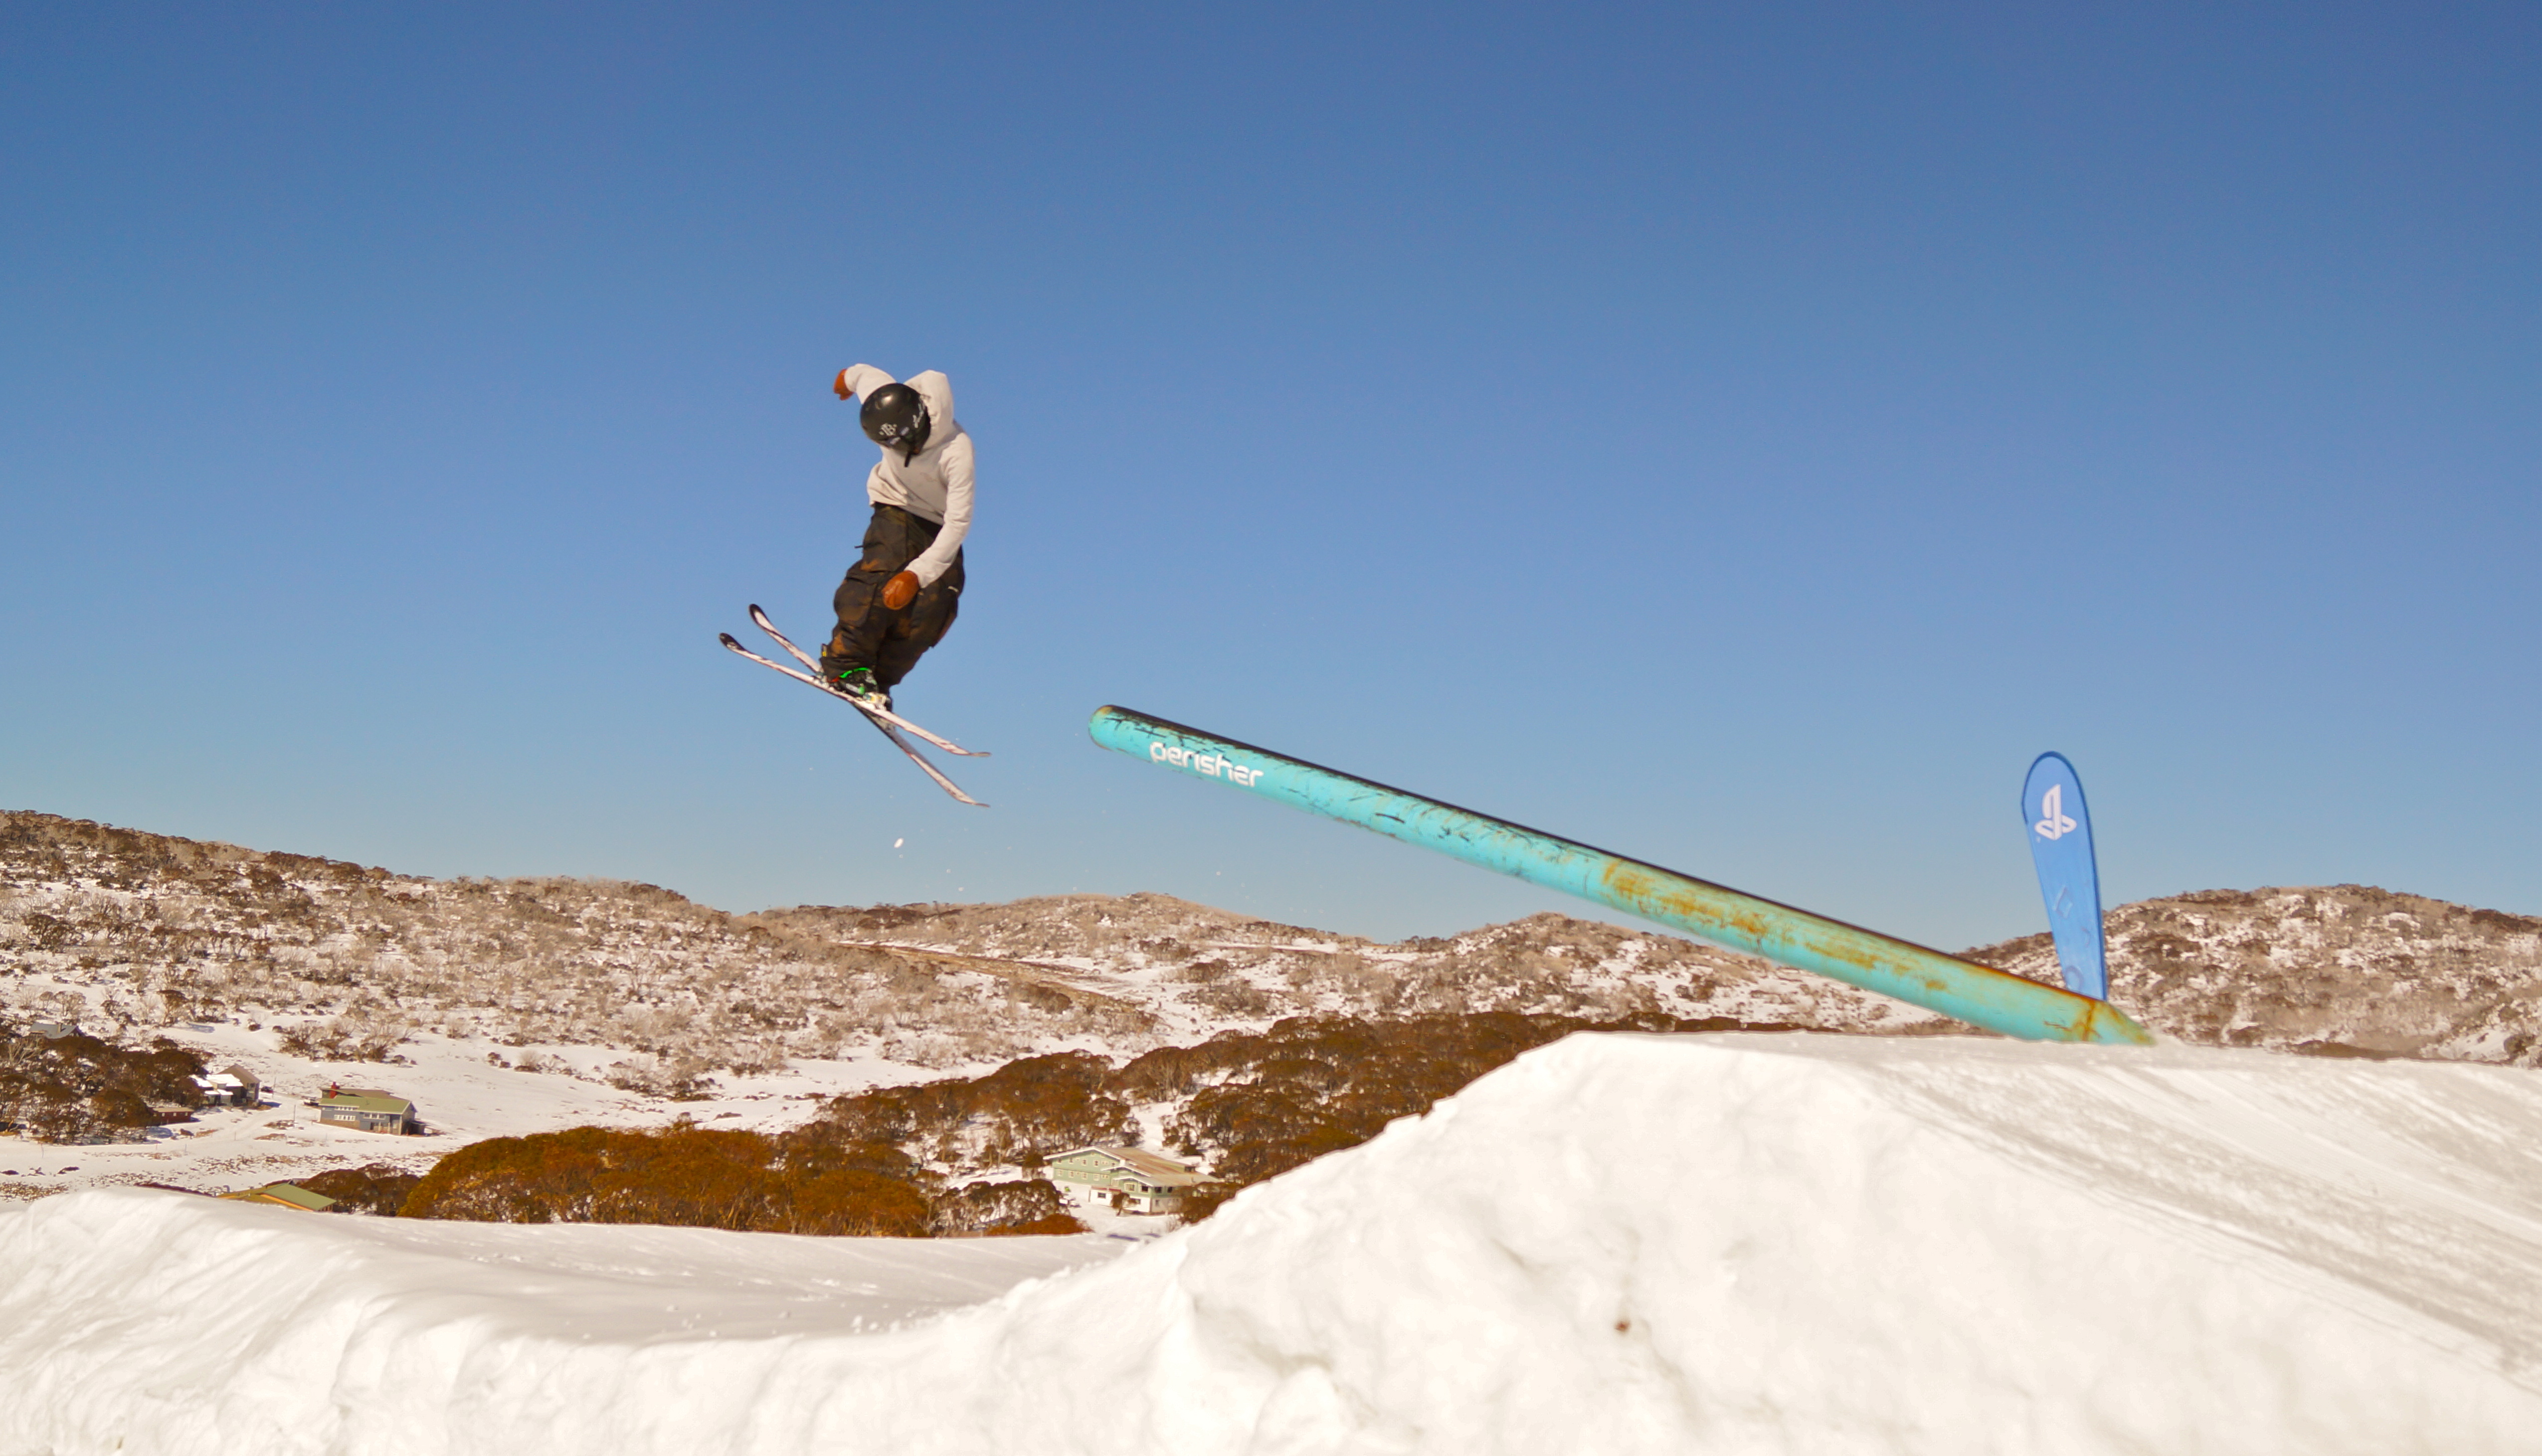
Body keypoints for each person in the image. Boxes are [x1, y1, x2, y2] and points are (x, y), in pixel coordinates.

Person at [820, 364, 973, 712]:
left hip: (941, 525)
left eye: (905, 443)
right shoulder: (882, 401)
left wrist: (917, 575)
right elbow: (861, 373)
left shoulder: (957, 452)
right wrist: (845, 380)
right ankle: (846, 664)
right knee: (882, 573)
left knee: (935, 607)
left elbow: (958, 523)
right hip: (895, 506)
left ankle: (878, 678)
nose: (902, 451)